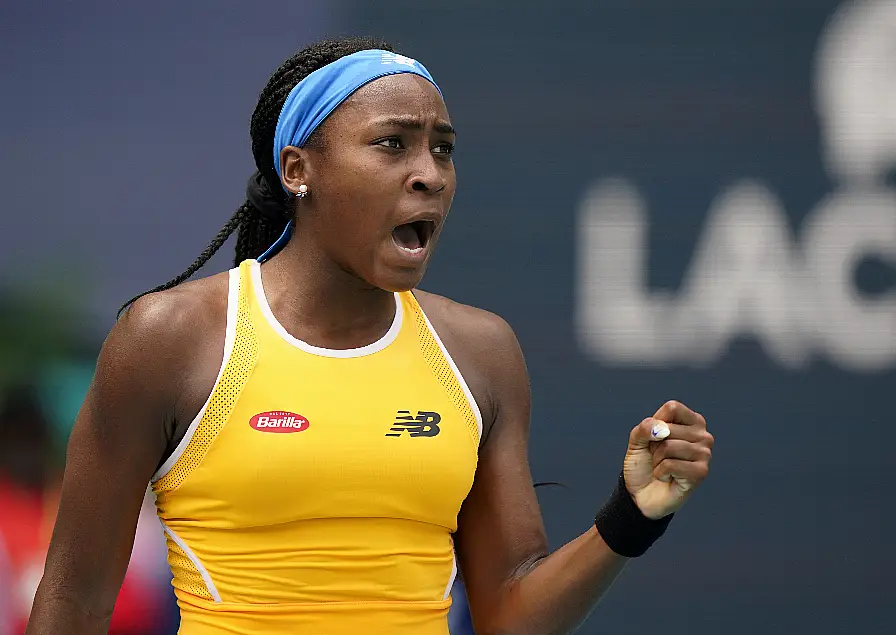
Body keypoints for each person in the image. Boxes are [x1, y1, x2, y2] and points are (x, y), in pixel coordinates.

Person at [25, 37, 714, 635]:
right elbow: (75, 600)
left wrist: (630, 518)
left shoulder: (480, 352)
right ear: (298, 170)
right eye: (393, 143)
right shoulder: (170, 337)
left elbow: (509, 612)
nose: (429, 174)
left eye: (442, 150)